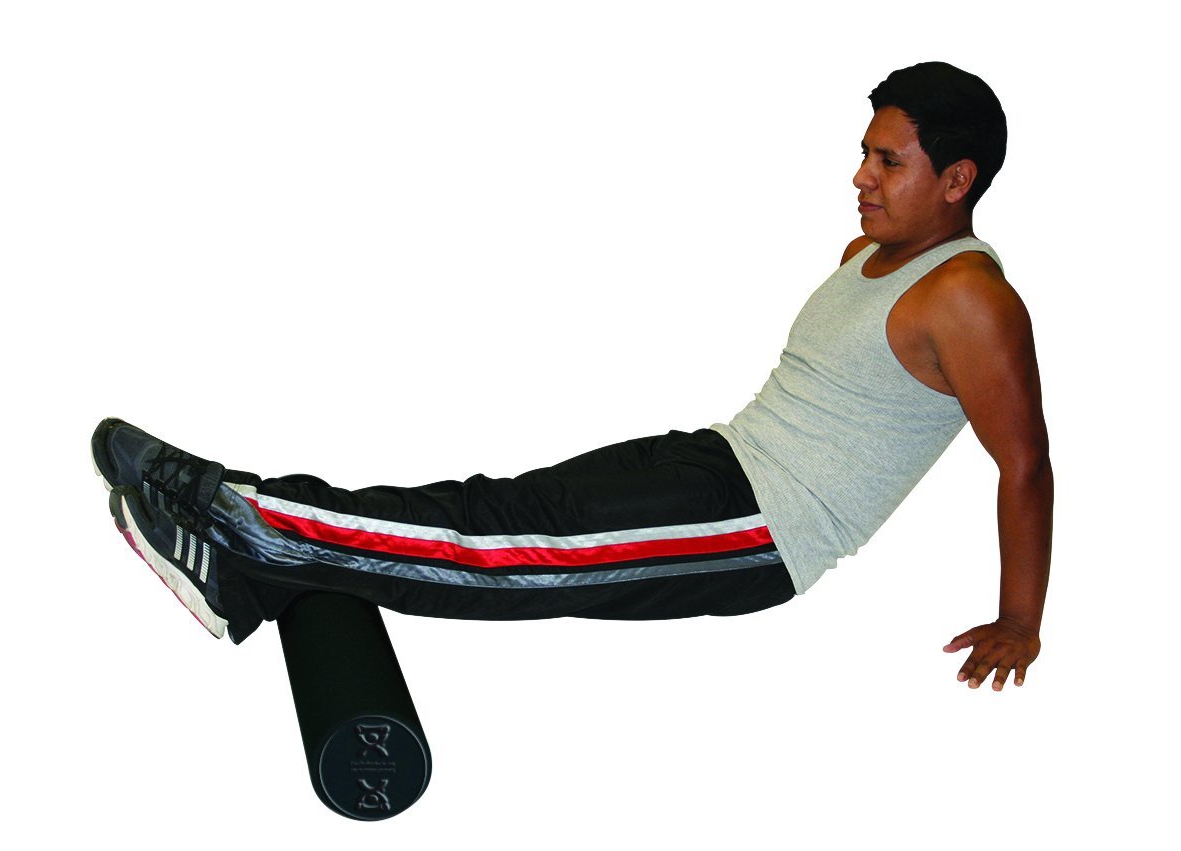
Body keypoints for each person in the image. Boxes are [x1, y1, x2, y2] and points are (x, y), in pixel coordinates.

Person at [92, 61, 1052, 692]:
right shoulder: (868, 255)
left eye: (888, 161)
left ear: (956, 179)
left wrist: (1020, 619)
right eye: (864, 154)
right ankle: (240, 577)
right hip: (716, 459)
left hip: (763, 532)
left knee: (504, 548)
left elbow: (1024, 465)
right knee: (488, 505)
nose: (861, 177)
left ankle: (235, 510)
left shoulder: (971, 298)